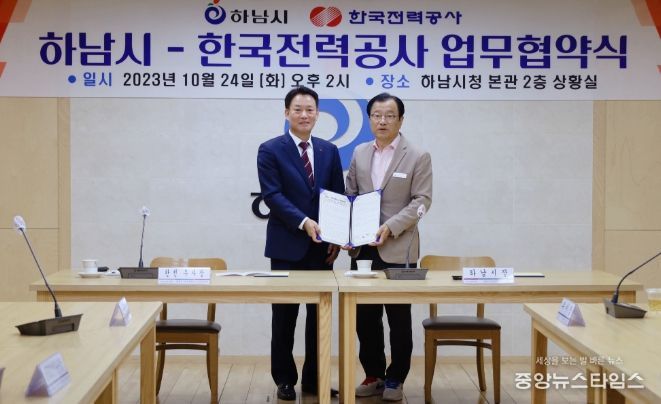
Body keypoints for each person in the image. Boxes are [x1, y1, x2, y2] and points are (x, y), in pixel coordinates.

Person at [257, 86, 344, 401]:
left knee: (319, 318)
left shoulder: (329, 150)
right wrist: (304, 221)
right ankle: (284, 379)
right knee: (284, 317)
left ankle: (314, 379)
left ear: (318, 114)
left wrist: (336, 236)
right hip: (286, 246)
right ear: (286, 113)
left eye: (310, 109)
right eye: (298, 109)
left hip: (321, 248)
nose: (304, 115)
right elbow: (273, 195)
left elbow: (336, 196)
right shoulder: (270, 149)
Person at [345, 92, 433, 401]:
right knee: (365, 318)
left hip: (399, 248)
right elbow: (351, 194)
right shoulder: (359, 153)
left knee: (398, 317)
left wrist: (391, 226)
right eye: (377, 115)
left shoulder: (418, 155)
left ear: (401, 120)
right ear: (369, 119)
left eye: (389, 115)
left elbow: (422, 201)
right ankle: (374, 374)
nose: (382, 121)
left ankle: (396, 378)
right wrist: (346, 230)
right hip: (364, 249)